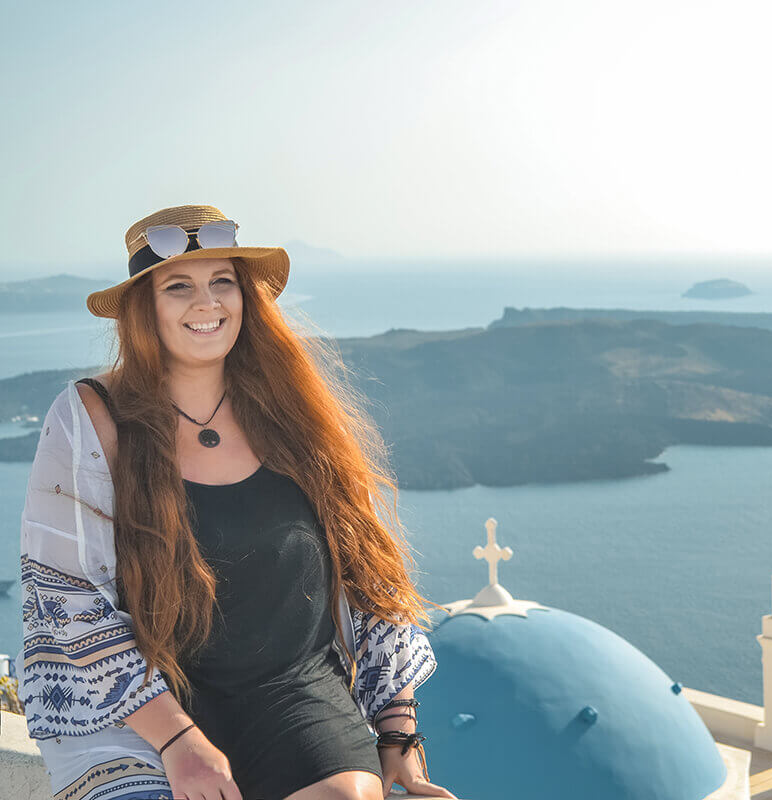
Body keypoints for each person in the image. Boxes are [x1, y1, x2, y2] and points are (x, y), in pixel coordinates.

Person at [18, 204, 458, 800]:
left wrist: (398, 736)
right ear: (144, 309)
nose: (207, 303)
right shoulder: (92, 417)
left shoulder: (292, 410)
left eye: (222, 281)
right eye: (179, 287)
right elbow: (67, 602)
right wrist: (180, 743)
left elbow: (368, 571)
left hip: (293, 695)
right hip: (148, 707)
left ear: (246, 297)